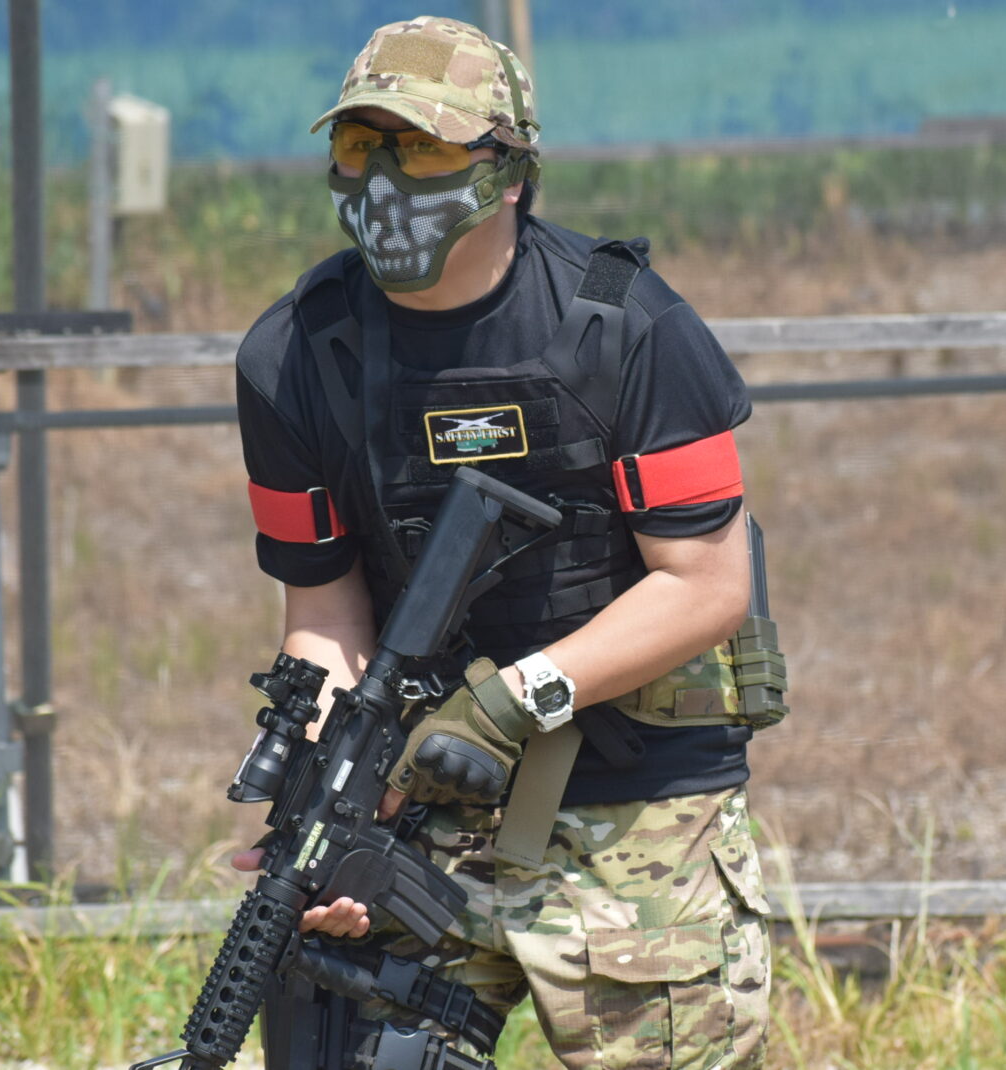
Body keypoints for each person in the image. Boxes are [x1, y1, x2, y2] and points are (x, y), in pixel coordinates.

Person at [232, 15, 778, 1069]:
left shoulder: (631, 329)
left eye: (425, 150)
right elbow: (326, 617)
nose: (386, 181)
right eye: (360, 146)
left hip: (637, 803)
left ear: (511, 171)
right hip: (425, 815)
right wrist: (324, 808)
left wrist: (503, 704)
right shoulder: (293, 354)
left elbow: (707, 585)